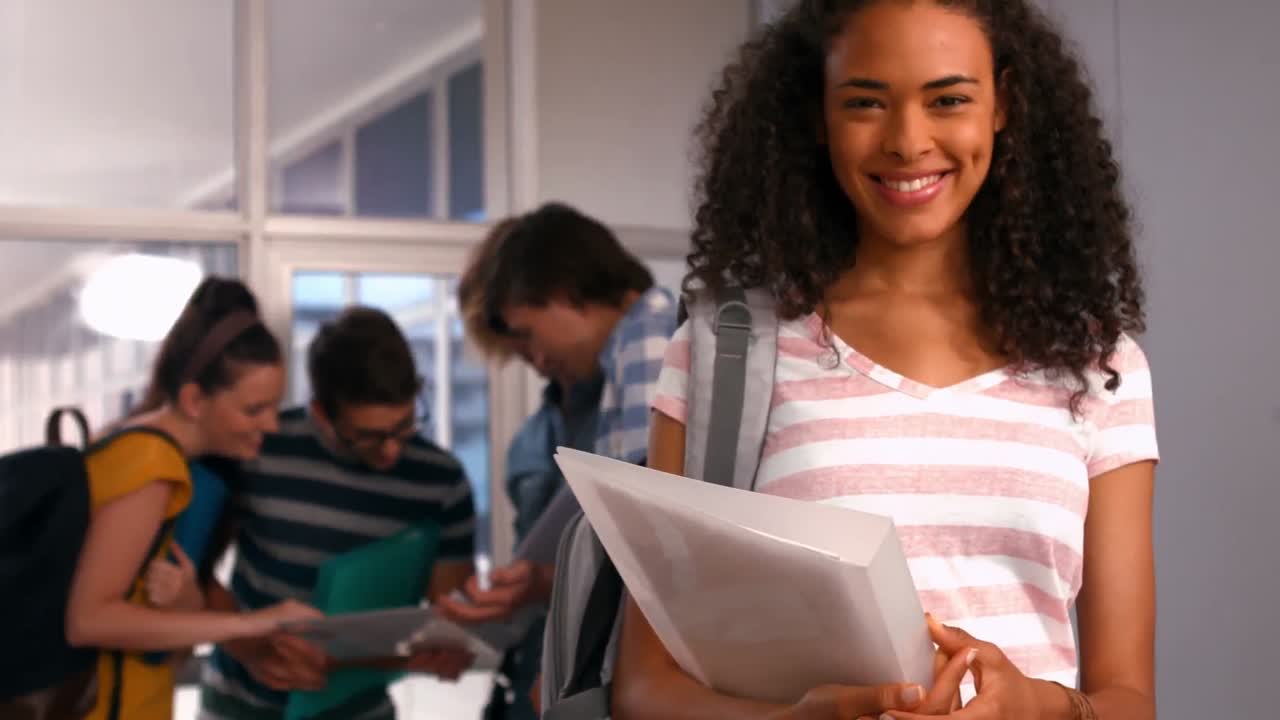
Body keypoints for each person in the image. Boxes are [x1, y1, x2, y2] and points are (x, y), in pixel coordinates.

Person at [613, 2, 1158, 719]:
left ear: (1004, 105)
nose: (907, 141)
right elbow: (645, 689)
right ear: (817, 116)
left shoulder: (1098, 363)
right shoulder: (727, 352)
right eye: (866, 102)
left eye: (949, 100)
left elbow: (1129, 701)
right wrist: (805, 718)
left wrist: (1038, 706)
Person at [198, 307, 479, 720]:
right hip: (241, 704)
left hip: (360, 709)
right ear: (321, 414)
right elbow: (195, 574)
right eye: (367, 436)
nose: (391, 450)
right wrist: (252, 650)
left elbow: (448, 625)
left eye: (404, 426)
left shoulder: (441, 479)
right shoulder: (259, 449)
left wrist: (449, 649)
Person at [62, 276, 319, 720]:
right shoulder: (150, 461)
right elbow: (89, 620)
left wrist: (194, 607)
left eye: (274, 407)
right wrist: (254, 622)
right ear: (195, 399)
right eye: (254, 409)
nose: (273, 426)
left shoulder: (144, 450)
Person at [437, 203, 678, 663]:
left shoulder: (651, 342)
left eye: (528, 337)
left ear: (562, 290)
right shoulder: (537, 434)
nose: (539, 361)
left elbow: (645, 536)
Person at [456, 218, 606, 719]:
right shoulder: (527, 444)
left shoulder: (636, 413)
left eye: (534, 341)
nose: (539, 361)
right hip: (528, 676)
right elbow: (527, 574)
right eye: (521, 353)